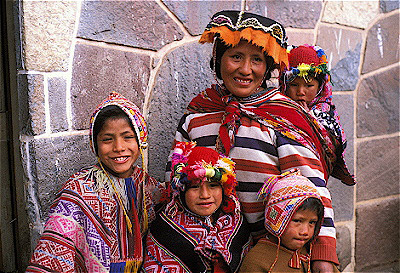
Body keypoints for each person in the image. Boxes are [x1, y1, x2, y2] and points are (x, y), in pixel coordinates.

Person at [167, 10, 340, 271]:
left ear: (268, 66)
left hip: (273, 256)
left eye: (257, 60)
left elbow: (313, 187)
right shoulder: (197, 116)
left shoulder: (284, 116)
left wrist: (323, 253)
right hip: (209, 254)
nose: (245, 70)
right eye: (236, 56)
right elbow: (175, 183)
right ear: (218, 59)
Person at [26, 92, 165, 272]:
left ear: (141, 140)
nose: (119, 147)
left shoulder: (150, 187)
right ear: (95, 144)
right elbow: (54, 253)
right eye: (107, 139)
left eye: (128, 137)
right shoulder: (79, 190)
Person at [143, 141, 251, 272]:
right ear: (182, 192)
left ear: (223, 189)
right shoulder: (165, 230)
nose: (205, 195)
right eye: (194, 187)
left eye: (213, 185)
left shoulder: (237, 224)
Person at [282, 44, 355, 186]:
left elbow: (333, 148)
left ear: (320, 86)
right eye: (294, 85)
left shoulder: (326, 112)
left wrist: (308, 120)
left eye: (309, 86)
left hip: (316, 180)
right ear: (284, 84)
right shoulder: (278, 109)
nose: (301, 91)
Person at [239, 169, 339, 273]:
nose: (305, 231)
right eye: (297, 221)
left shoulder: (313, 255)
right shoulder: (257, 261)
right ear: (276, 219)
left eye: (312, 222)